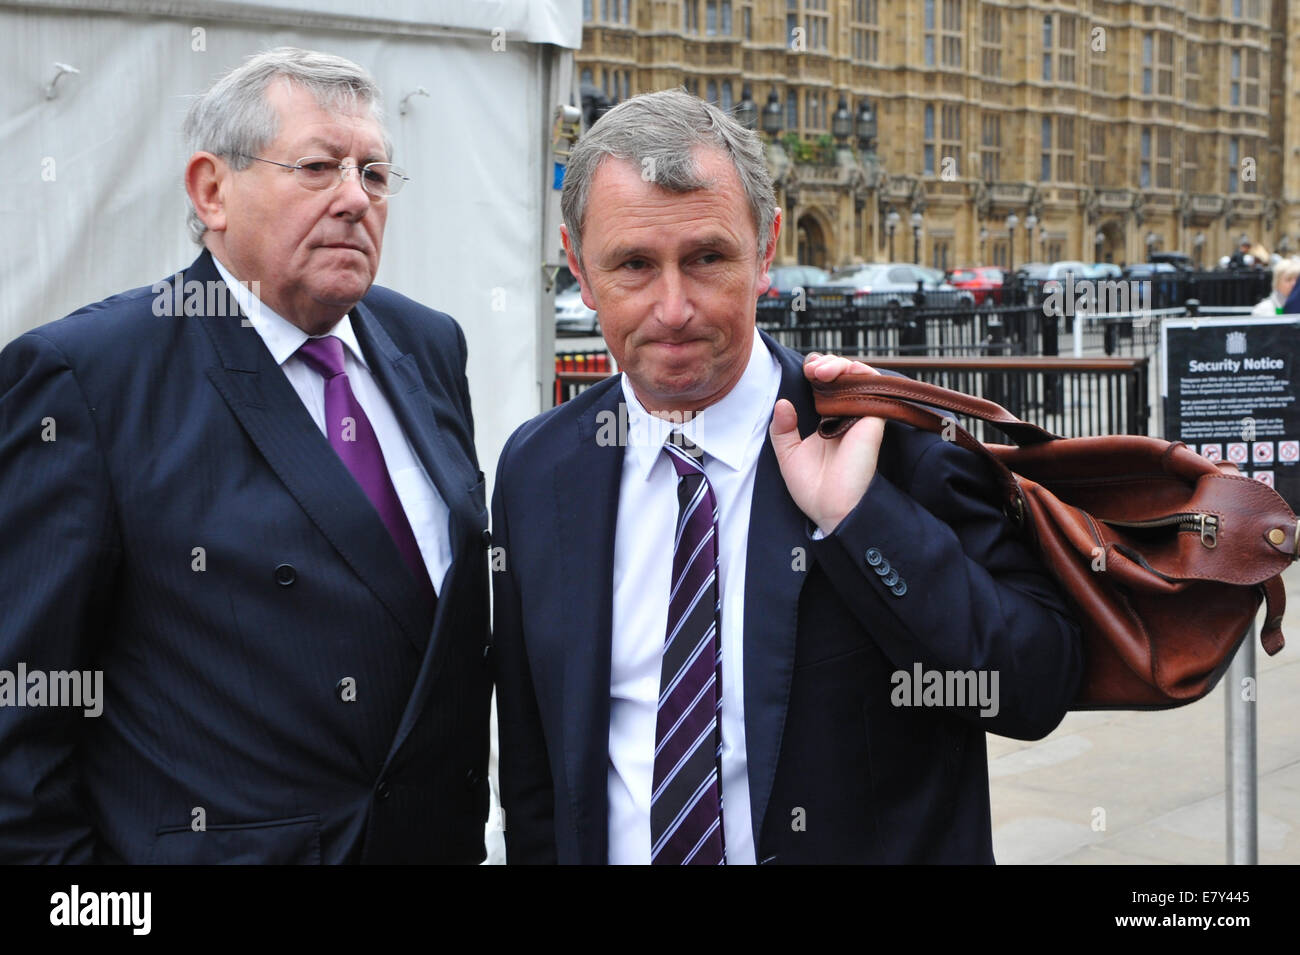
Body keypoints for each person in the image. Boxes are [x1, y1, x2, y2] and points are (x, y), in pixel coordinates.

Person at [491, 90, 1082, 865]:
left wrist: (862, 520)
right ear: (578, 265)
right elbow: (538, 779)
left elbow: (1034, 686)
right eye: (634, 264)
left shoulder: (887, 444)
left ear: (765, 247)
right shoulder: (539, 469)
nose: (673, 308)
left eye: (706, 258)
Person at [0, 48, 490, 863]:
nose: (353, 199)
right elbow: (20, 720)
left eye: (374, 173)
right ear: (211, 190)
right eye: (317, 167)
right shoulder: (88, 376)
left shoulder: (427, 344)